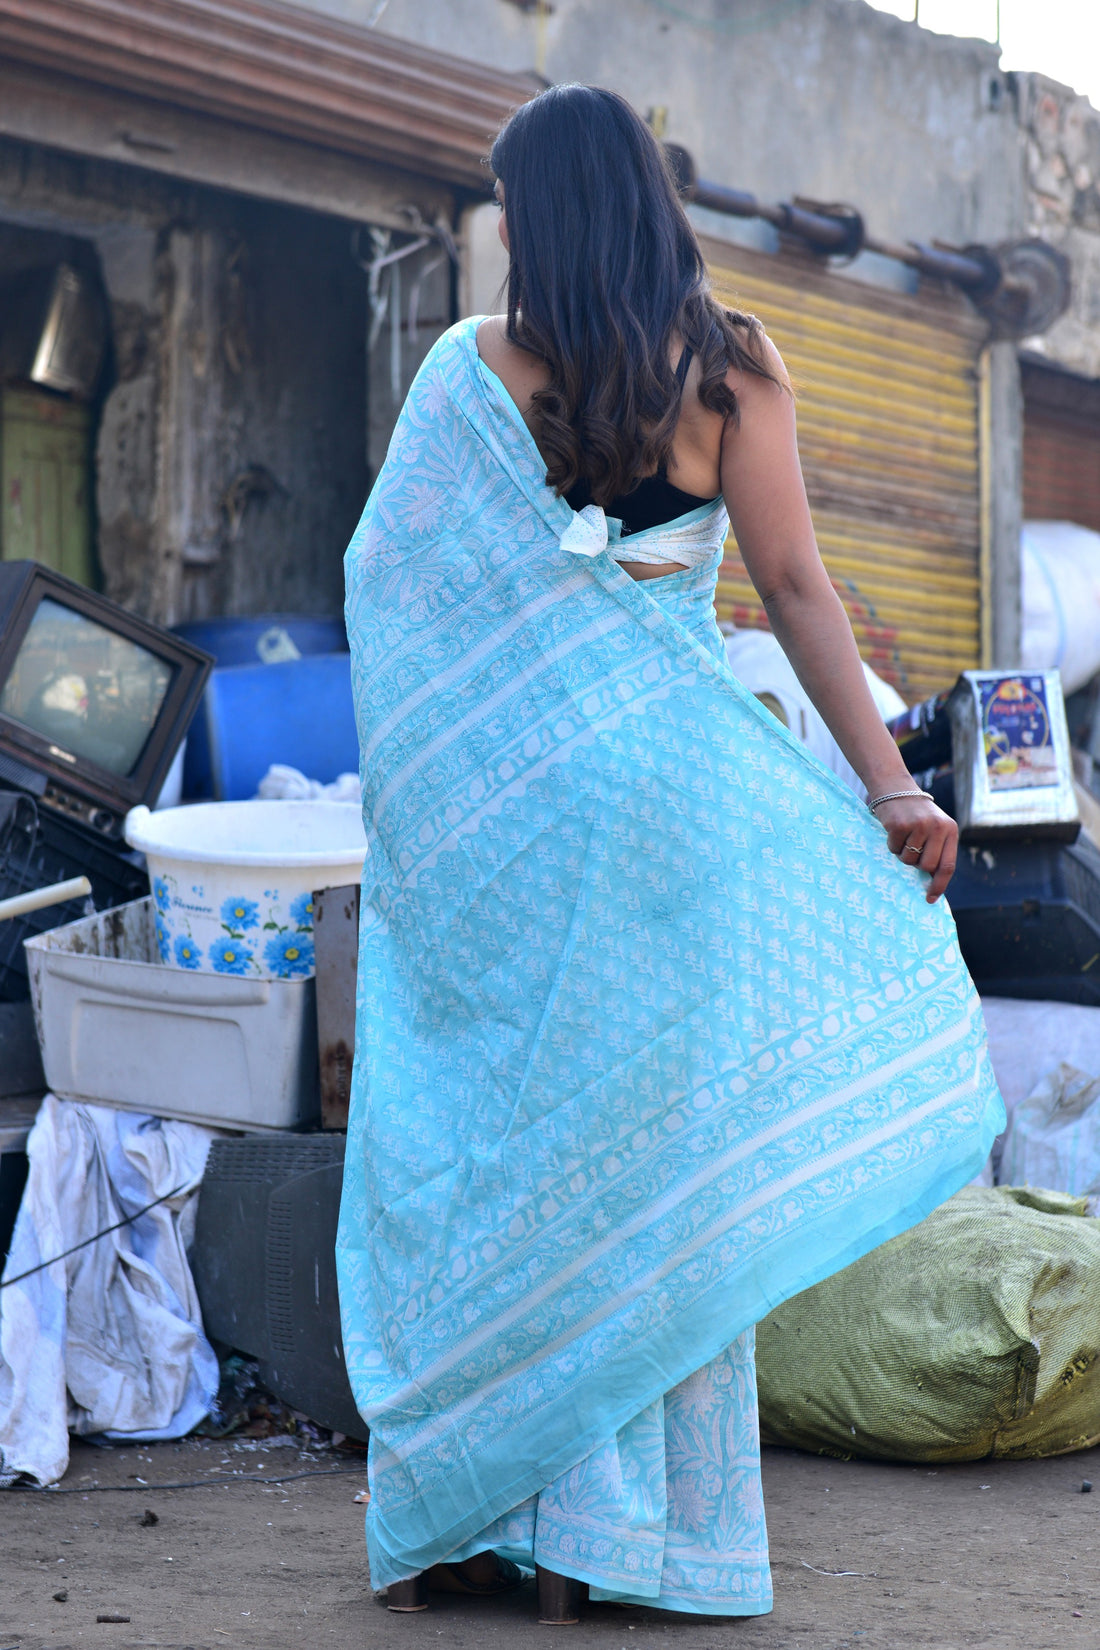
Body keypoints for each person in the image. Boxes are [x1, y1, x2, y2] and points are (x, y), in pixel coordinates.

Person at [336, 83, 1003, 1623]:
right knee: (661, 1168)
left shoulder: (469, 370)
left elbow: (390, 583)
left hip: (519, 843)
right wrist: (894, 790)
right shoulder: (734, 372)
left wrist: (446, 801)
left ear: (542, 218)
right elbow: (800, 592)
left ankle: (485, 1521)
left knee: (509, 1162)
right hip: (674, 818)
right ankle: (625, 1544)